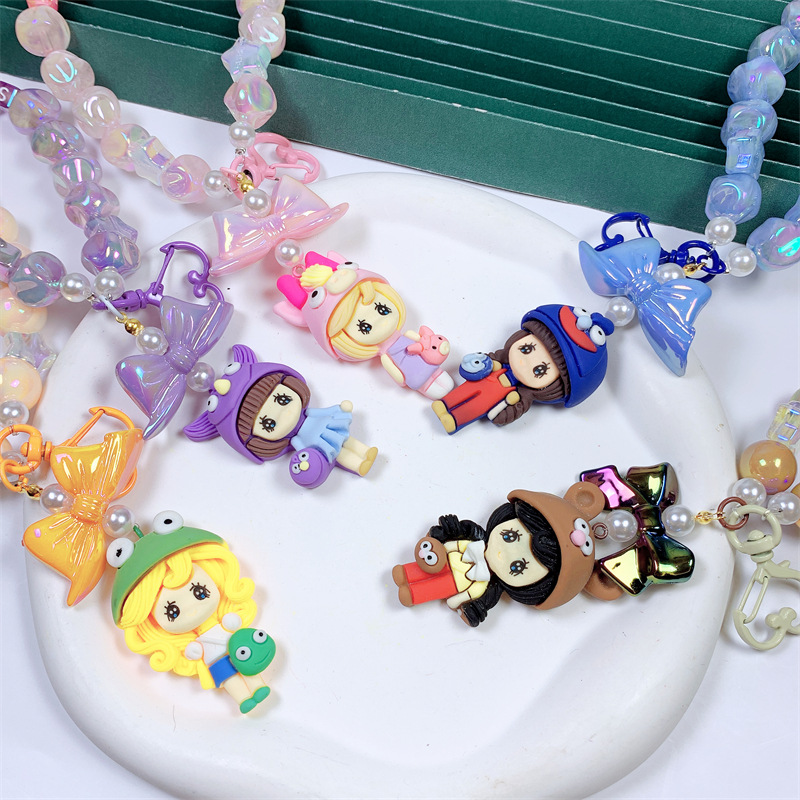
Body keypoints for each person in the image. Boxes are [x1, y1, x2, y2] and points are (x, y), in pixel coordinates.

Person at [392, 482, 623, 627]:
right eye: (510, 536)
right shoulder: (477, 539)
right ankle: (406, 573)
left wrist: (476, 609)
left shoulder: (490, 586)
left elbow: (487, 600)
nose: (505, 554)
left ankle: (413, 593)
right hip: (449, 557)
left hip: (458, 586)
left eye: (517, 567)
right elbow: (467, 529)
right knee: (417, 569)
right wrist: (451, 529)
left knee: (433, 589)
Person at [431, 304, 614, 434]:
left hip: (498, 395)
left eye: (539, 370)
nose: (525, 363)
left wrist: (507, 410)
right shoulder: (499, 361)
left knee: (476, 406)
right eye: (526, 349)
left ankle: (455, 419)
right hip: (489, 378)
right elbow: (476, 365)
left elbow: (507, 415)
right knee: (465, 390)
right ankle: (444, 404)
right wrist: (480, 363)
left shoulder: (520, 396)